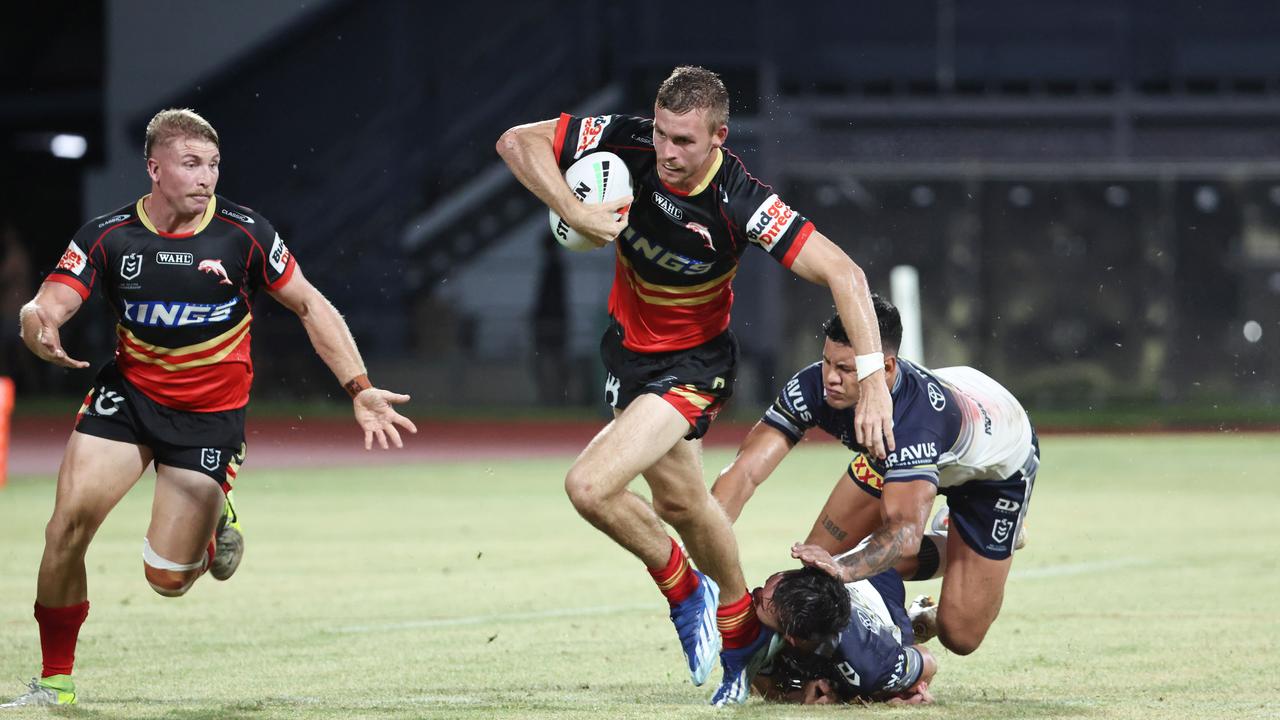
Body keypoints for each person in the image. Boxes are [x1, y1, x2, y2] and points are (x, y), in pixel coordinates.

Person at [496, 66, 894, 705]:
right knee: (682, 505)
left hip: (694, 367)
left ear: (718, 137)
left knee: (589, 486)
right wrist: (572, 209)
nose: (668, 153)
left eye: (685, 140)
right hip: (629, 357)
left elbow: (845, 274)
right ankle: (740, 633)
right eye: (661, 135)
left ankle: (687, 590)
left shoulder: (741, 201)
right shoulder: (627, 143)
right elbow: (517, 141)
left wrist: (873, 384)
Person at [4, 108, 417, 708]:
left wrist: (360, 388)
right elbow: (48, 304)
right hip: (129, 399)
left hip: (209, 419)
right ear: (154, 168)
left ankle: (214, 520)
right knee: (65, 527)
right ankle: (54, 683)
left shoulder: (244, 233)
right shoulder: (108, 235)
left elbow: (310, 305)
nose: (206, 178)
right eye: (191, 164)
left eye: (214, 165)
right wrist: (34, 325)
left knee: (166, 581)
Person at [712, 294, 1039, 658]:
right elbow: (745, 471)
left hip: (994, 471)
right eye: (827, 362)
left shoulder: (915, 424)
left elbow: (904, 535)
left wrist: (842, 568)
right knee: (815, 570)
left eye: (847, 370)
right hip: (894, 459)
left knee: (959, 635)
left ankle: (958, 534)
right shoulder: (816, 385)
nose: (831, 379)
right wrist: (703, 553)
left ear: (885, 369)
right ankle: (952, 543)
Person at [749, 566, 938, 705]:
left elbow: (927, 661)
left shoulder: (866, 663)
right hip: (843, 578)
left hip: (879, 589)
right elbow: (768, 688)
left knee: (878, 692)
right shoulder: (795, 604)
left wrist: (886, 699)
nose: (752, 596)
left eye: (758, 601)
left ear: (791, 637)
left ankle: (948, 533)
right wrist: (797, 696)